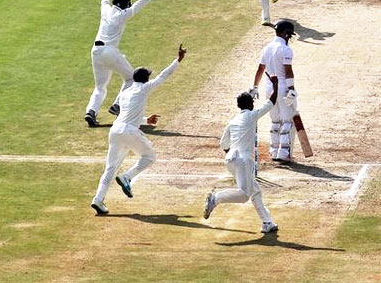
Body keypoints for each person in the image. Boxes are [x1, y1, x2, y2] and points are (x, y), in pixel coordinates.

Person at [91, 44, 186, 215]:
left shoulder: (126, 93)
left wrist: (145, 120)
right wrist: (177, 60)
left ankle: (98, 200)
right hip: (128, 131)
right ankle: (127, 177)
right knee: (149, 157)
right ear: (145, 79)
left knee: (110, 169)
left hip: (116, 131)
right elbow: (164, 76)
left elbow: (127, 114)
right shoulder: (144, 88)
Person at [202, 75, 280, 234]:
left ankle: (267, 222)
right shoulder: (251, 115)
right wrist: (276, 85)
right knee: (244, 195)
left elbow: (223, 144)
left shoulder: (233, 121)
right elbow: (271, 102)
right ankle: (215, 198)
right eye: (252, 101)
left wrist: (233, 155)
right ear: (250, 104)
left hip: (231, 160)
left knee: (255, 190)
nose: (253, 103)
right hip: (243, 161)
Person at [84, 0, 161, 127]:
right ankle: (117, 105)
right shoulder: (123, 15)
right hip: (109, 51)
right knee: (132, 78)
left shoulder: (106, 10)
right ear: (125, 4)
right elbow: (139, 5)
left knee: (100, 87)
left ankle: (91, 111)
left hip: (96, 51)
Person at [250, 20, 297, 162]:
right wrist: (292, 89)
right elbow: (288, 71)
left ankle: (274, 150)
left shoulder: (267, 48)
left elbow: (260, 69)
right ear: (286, 33)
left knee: (275, 120)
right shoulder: (286, 50)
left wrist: (255, 87)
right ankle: (283, 153)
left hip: (270, 88)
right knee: (287, 121)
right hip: (283, 88)